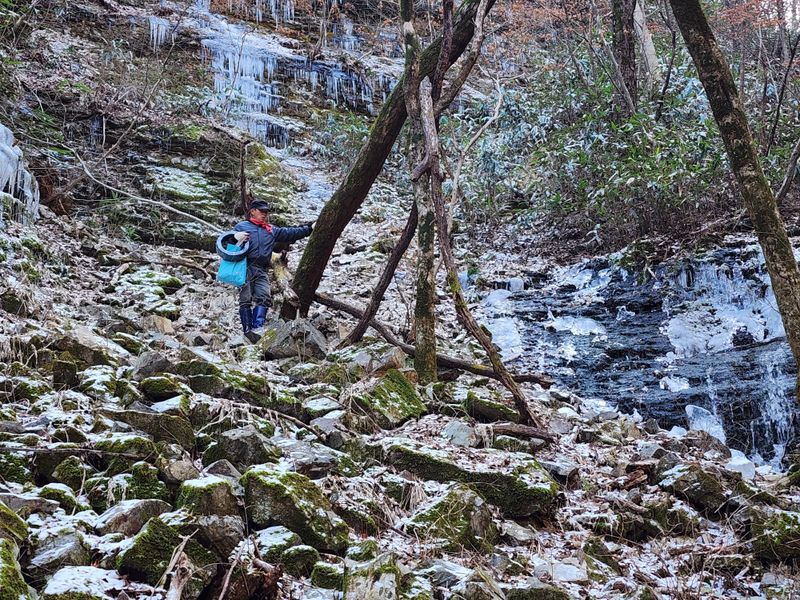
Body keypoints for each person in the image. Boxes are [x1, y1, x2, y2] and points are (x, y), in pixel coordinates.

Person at [233, 199, 313, 342]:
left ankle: (257, 330)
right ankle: (246, 331)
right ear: (252, 211)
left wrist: (309, 228)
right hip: (244, 266)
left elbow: (290, 233)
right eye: (261, 211)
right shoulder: (241, 227)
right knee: (245, 298)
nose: (265, 214)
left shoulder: (270, 230)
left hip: (262, 269)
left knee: (264, 297)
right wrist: (236, 239)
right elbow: (226, 243)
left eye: (266, 212)